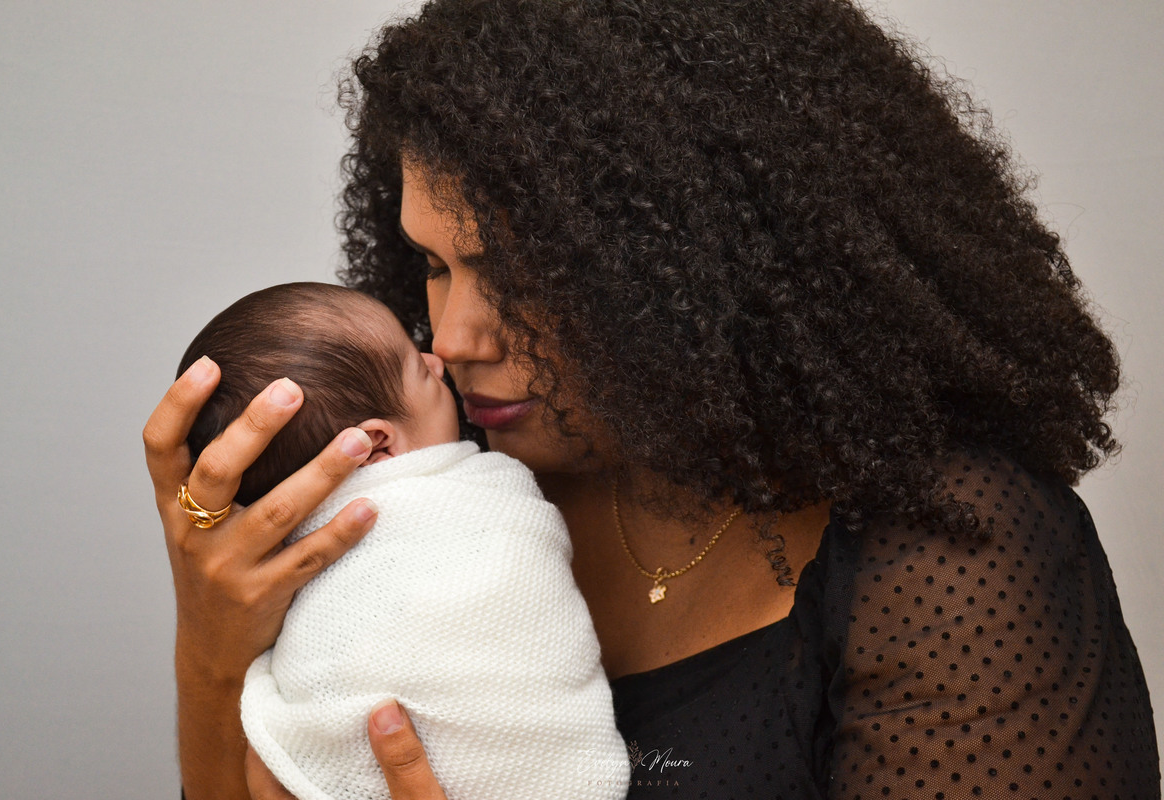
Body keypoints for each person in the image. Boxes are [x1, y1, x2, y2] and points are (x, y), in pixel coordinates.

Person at [143, 0, 1161, 798]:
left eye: (525, 276)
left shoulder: (949, 558)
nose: (450, 339)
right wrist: (211, 650)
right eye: (434, 264)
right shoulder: (444, 490)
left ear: (706, 264)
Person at [174, 282, 628, 800]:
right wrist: (205, 643)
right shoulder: (488, 494)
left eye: (508, 275)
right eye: (434, 266)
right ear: (375, 443)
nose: (443, 354)